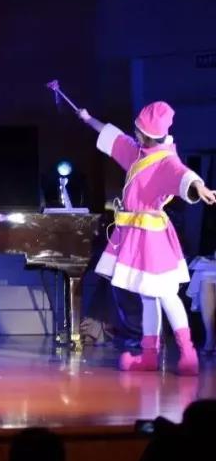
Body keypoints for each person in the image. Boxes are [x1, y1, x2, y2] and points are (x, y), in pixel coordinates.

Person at [77, 101, 216, 374]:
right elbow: (115, 138)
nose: (135, 133)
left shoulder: (166, 160)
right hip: (136, 235)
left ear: (149, 134)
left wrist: (198, 185)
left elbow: (183, 175)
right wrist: (88, 118)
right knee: (147, 297)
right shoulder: (138, 153)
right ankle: (149, 354)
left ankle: (188, 354)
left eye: (139, 130)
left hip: (153, 239)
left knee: (166, 295)